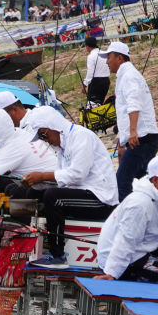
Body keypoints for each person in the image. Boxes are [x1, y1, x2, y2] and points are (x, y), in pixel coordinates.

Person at [17, 106, 119, 267]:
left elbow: (77, 174)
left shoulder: (81, 136)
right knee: (29, 193)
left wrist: (42, 176)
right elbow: (62, 178)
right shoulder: (62, 146)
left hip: (101, 199)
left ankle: (58, 256)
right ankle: (20, 241)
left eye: (44, 134)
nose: (45, 140)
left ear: (54, 126)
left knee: (52, 197)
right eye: (41, 137)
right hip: (81, 193)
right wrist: (36, 182)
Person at [95, 155, 158, 280]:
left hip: (139, 253)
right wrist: (111, 274)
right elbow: (125, 241)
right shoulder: (139, 204)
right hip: (116, 259)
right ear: (155, 180)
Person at [101, 40, 158, 201]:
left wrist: (133, 131)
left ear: (119, 58)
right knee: (142, 184)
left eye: (109, 57)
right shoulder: (125, 75)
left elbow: (134, 104)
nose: (107, 62)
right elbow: (125, 109)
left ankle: (128, 218)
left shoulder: (129, 76)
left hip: (142, 138)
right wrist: (123, 140)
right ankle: (153, 213)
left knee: (122, 182)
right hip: (141, 138)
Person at [82, 36, 110, 106]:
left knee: (93, 105)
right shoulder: (104, 53)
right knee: (100, 102)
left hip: (96, 82)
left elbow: (90, 72)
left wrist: (85, 84)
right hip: (106, 81)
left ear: (87, 46)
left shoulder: (91, 56)